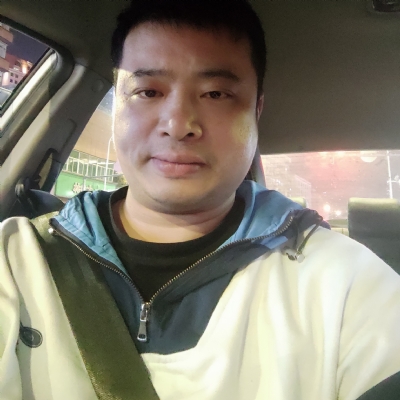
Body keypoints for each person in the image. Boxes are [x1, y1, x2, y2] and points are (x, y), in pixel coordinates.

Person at [1, 0, 400, 399]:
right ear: (118, 103)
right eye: (148, 91)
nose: (178, 125)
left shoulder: (347, 284)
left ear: (256, 111)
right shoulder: (16, 260)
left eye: (215, 94)